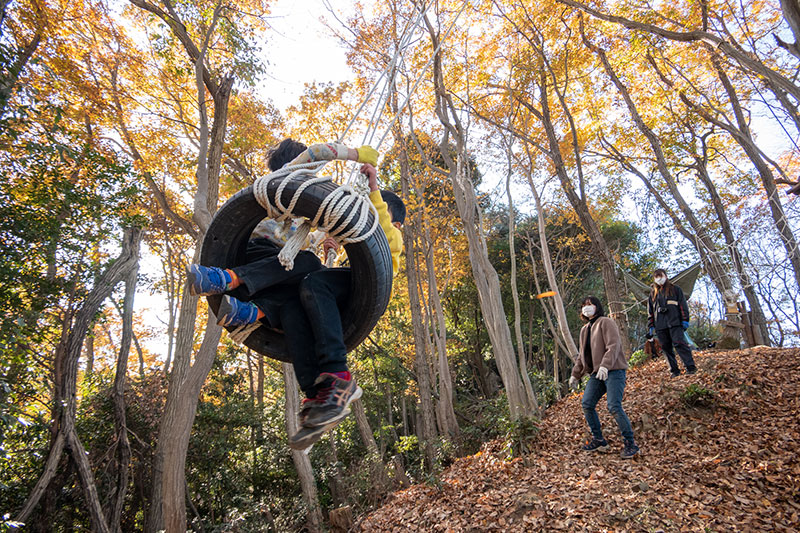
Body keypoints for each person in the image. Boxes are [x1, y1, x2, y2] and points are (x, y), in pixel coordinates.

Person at [186, 139, 405, 449]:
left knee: (298, 297)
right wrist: (364, 156)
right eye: (313, 172)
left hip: (274, 274)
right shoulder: (281, 184)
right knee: (308, 268)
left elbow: (308, 236)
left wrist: (328, 241)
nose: (316, 177)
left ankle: (318, 395)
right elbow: (318, 153)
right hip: (257, 257)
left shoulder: (304, 213)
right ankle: (231, 280)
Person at [569, 296, 639, 459]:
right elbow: (582, 356)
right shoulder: (584, 329)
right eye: (584, 305)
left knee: (613, 405)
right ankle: (599, 439)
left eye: (590, 304)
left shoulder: (606, 322)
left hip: (613, 370)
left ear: (597, 306)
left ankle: (630, 443)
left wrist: (605, 365)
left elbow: (614, 346)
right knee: (587, 403)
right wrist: (575, 374)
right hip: (596, 374)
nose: (587, 308)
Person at [647, 268, 697, 378]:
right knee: (666, 347)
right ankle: (674, 370)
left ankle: (690, 367)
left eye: (661, 276)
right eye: (657, 277)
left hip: (675, 323)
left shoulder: (675, 290)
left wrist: (685, 320)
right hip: (660, 325)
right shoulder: (653, 294)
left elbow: (683, 305)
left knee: (680, 344)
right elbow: (650, 311)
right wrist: (651, 326)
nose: (659, 279)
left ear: (665, 276)